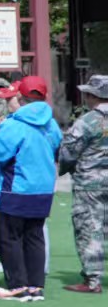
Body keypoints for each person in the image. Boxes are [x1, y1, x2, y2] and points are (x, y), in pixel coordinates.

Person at [0, 75, 60, 301]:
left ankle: (17, 285)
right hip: (43, 189)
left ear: (20, 97)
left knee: (9, 238)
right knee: (34, 237)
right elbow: (57, 147)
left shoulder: (14, 125)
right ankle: (36, 286)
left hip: (16, 188)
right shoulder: (52, 124)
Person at [57, 75, 108, 294]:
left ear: (93, 96)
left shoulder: (87, 121)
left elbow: (69, 153)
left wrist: (67, 168)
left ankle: (92, 280)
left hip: (90, 184)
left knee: (90, 228)